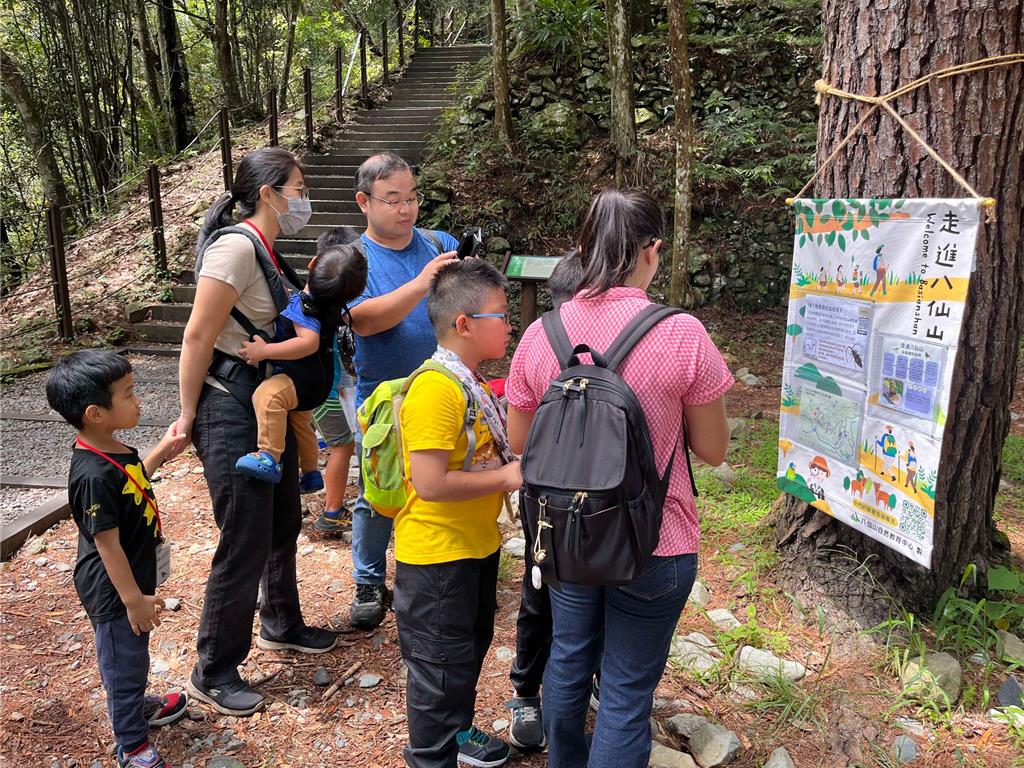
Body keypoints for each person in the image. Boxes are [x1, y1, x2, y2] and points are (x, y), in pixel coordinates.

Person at [505, 189, 732, 767]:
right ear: (652, 251)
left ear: (582, 249)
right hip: (656, 539)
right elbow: (711, 449)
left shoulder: (541, 334)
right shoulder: (682, 333)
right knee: (627, 693)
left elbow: (521, 445)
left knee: (568, 657)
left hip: (568, 536)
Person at [172, 147, 339, 718]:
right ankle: (213, 668)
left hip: (262, 400)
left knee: (284, 517)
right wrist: (188, 415)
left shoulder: (263, 247)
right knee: (243, 535)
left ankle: (280, 621)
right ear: (268, 192)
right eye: (297, 186)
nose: (302, 197)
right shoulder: (235, 247)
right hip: (228, 406)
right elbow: (198, 336)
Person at [394, 259, 521, 768]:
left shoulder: (467, 381)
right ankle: (431, 756)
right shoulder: (436, 388)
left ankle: (459, 734)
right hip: (436, 558)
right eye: (501, 315)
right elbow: (429, 483)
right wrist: (510, 477)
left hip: (473, 545)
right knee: (436, 668)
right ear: (463, 324)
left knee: (466, 650)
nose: (510, 326)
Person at [46, 350, 189, 768]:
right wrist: (133, 601)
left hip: (132, 578)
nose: (138, 400)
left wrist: (161, 450)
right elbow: (106, 544)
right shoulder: (91, 473)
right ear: (95, 413)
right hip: (113, 590)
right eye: (128, 394)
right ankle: (131, 742)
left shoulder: (112, 449)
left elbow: (131, 481)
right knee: (123, 659)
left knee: (133, 653)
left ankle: (135, 703)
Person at [346, 152, 459, 629]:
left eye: (412, 198)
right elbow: (365, 321)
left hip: (446, 387)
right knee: (380, 487)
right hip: (381, 393)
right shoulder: (354, 260)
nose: (406, 209)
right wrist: (421, 283)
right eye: (392, 200)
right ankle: (369, 581)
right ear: (364, 202)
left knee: (448, 477)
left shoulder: (440, 243)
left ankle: (444, 570)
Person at [506, 250, 583, 750]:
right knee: (543, 596)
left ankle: (533, 692)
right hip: (570, 503)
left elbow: (518, 440)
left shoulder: (536, 338)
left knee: (544, 596)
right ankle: (528, 690)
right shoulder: (541, 341)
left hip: (548, 501)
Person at [233, 244, 366, 487]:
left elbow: (307, 343)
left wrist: (264, 351)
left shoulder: (304, 306)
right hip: (319, 383)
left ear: (312, 263)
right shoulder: (335, 306)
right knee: (300, 422)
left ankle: (269, 456)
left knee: (268, 397)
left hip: (300, 379)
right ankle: (311, 471)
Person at [310, 227, 364, 534]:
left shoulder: (320, 300)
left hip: (329, 387)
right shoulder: (325, 304)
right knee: (342, 446)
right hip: (325, 391)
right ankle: (331, 511)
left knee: (342, 445)